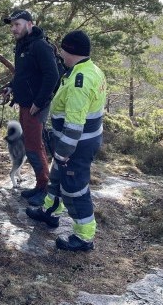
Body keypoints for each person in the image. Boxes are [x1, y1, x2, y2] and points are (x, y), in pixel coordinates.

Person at [25, 30, 106, 252]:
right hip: (77, 142)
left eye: (62, 49)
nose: (60, 53)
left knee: (75, 188)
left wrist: (62, 153)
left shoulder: (81, 80)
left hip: (76, 145)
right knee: (57, 177)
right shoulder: (87, 69)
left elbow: (75, 124)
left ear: (71, 51)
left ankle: (84, 236)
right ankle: (50, 210)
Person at [2, 9, 59, 207]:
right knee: (31, 145)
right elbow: (22, 75)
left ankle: (45, 189)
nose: (13, 29)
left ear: (29, 24)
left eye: (17, 24)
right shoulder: (22, 45)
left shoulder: (40, 46)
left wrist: (39, 102)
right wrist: (11, 86)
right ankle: (39, 185)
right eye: (12, 25)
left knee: (34, 147)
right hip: (26, 104)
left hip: (36, 106)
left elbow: (52, 76)